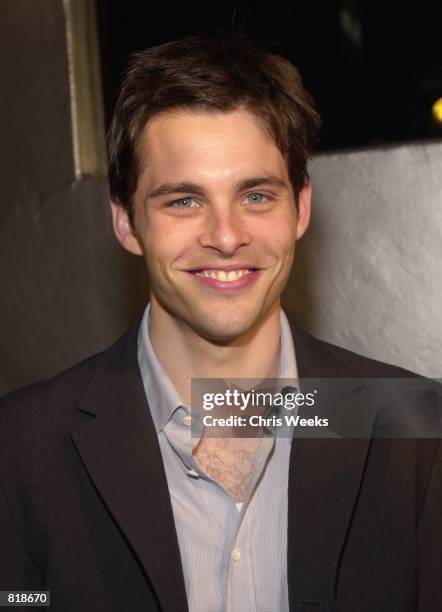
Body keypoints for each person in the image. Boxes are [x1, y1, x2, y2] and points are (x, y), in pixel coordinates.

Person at [0, 33, 441, 612]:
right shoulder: (20, 448)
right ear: (127, 223)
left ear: (300, 208)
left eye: (256, 196)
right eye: (183, 200)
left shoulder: (414, 430)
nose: (227, 236)